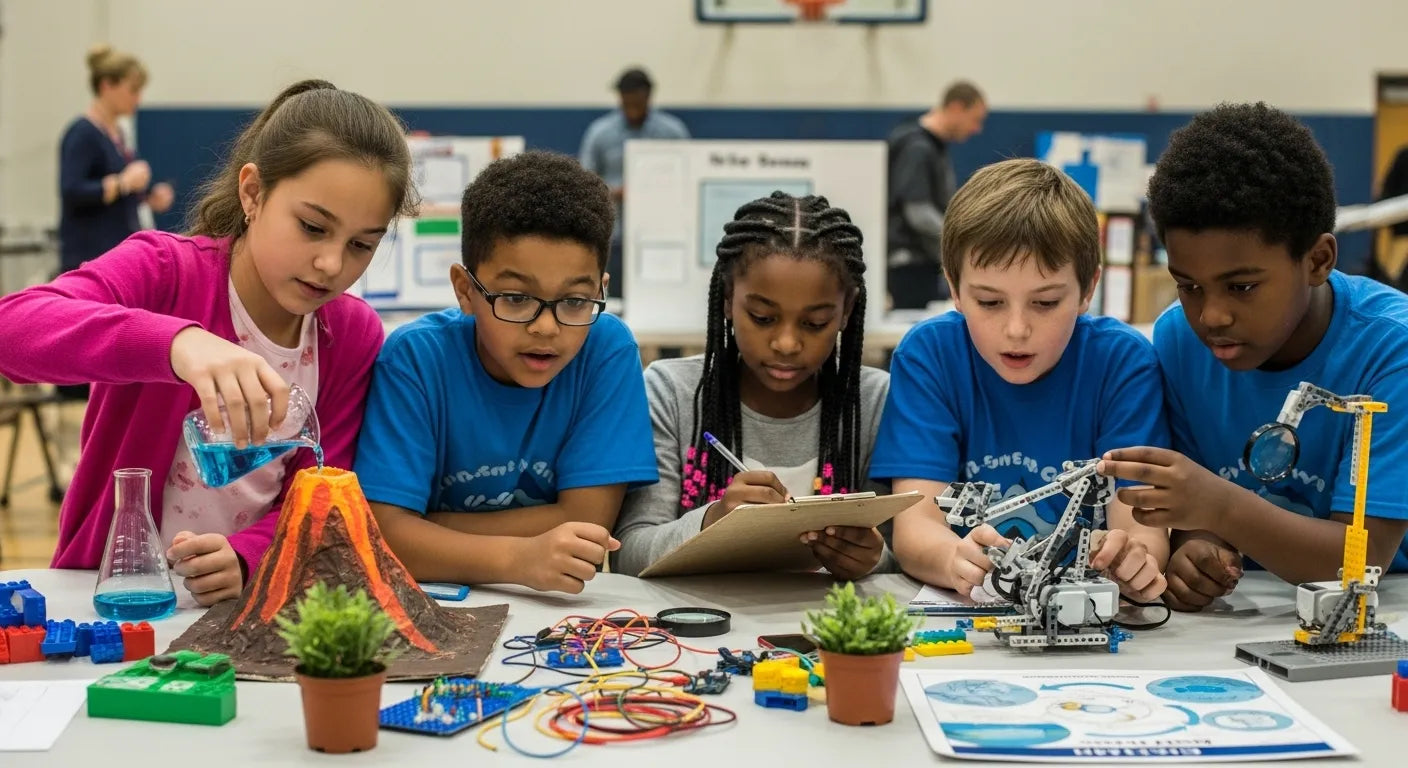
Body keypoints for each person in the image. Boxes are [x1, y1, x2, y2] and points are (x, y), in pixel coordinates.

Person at [0, 79, 413, 606]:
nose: (331, 264)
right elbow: (13, 330)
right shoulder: (165, 272)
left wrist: (249, 556)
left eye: (361, 244)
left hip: (240, 608)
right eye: (312, 227)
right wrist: (178, 344)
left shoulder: (350, 335)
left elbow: (318, 497)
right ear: (253, 192)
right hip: (109, 598)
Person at [1099, 103, 1408, 611]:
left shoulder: (1392, 348)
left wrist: (1220, 508)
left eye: (1241, 286)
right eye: (1189, 286)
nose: (1212, 315)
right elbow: (1197, 510)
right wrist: (1198, 548)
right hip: (1254, 614)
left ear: (1318, 260)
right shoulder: (1178, 339)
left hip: (1384, 612)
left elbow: (1364, 560)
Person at [353, 151, 658, 594]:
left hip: (553, 611)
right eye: (515, 298)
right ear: (465, 290)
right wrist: (517, 558)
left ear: (600, 289)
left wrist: (426, 529)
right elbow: (382, 535)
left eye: (575, 301)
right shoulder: (415, 359)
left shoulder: (605, 349)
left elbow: (588, 522)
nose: (546, 327)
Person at [873, 158, 1170, 602]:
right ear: (954, 288)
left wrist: (1134, 560)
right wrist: (953, 559)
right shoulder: (930, 356)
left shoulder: (1122, 363)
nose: (1016, 330)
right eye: (989, 302)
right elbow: (916, 529)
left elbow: (1143, 532)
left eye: (1045, 303)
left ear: (1088, 289)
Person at [613, 192, 891, 578]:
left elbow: (900, 552)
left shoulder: (873, 400)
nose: (787, 344)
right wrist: (713, 521)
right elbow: (628, 554)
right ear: (728, 299)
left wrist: (874, 558)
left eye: (815, 323)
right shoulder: (671, 392)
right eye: (762, 317)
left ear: (847, 310)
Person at [59, 44, 175, 275]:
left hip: (116, 256)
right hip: (90, 260)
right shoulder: (82, 133)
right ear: (107, 86)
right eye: (132, 90)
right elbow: (71, 190)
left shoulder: (119, 134)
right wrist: (123, 183)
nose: (138, 98)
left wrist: (149, 196)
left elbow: (122, 194)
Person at [579, 67, 691, 300]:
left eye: (636, 100)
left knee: (660, 295)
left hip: (661, 230)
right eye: (626, 99)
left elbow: (688, 177)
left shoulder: (672, 132)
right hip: (616, 231)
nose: (631, 106)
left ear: (648, 96)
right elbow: (585, 181)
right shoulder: (600, 133)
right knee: (615, 295)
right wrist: (616, 192)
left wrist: (655, 191)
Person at [885, 80, 987, 310]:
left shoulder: (931, 147)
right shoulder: (917, 148)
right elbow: (918, 213)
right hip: (909, 271)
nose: (977, 129)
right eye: (975, 119)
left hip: (921, 266)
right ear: (956, 108)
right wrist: (962, 242)